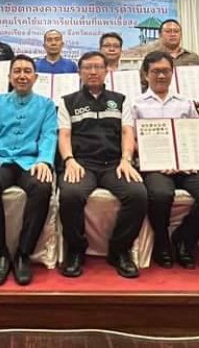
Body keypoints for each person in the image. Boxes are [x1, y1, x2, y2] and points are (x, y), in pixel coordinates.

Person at [58, 51, 147, 279]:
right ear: (79, 72)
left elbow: (127, 132)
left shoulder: (120, 100)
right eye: (87, 67)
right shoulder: (67, 101)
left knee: (137, 194)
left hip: (114, 164)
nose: (93, 72)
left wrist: (126, 159)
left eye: (98, 67)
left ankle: (120, 251)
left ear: (107, 71)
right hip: (82, 163)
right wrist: (69, 160)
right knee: (70, 195)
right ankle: (75, 251)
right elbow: (64, 135)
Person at [131, 51, 199, 271]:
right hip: (155, 166)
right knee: (160, 195)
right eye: (156, 71)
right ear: (145, 74)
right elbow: (131, 140)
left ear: (173, 73)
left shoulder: (185, 103)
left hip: (186, 165)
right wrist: (155, 158)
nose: (161, 76)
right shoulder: (135, 104)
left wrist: (190, 159)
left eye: (166, 71)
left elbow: (197, 134)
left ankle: (184, 239)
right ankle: (162, 242)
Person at [0, 55, 57, 286]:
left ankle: (23, 254)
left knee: (42, 187)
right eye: (17, 71)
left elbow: (49, 135)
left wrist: (44, 161)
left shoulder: (46, 105)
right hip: (2, 160)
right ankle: (1, 253)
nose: (22, 76)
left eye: (27, 71)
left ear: (35, 77)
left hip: (30, 162)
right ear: (9, 76)